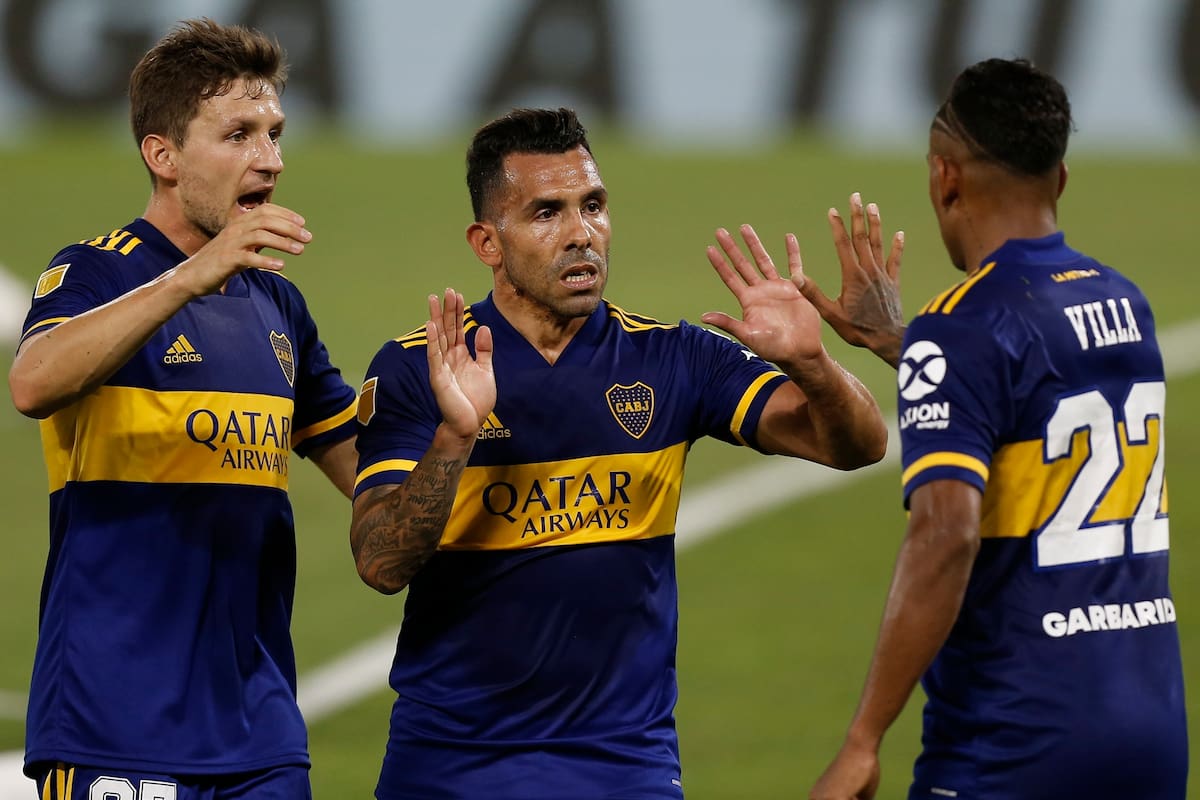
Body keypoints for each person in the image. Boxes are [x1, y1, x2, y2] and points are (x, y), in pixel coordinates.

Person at [349, 106, 889, 799]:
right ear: (487, 242)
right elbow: (381, 564)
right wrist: (455, 437)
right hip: (451, 764)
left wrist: (812, 365)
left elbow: (859, 446)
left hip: (625, 766)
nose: (581, 233)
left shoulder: (674, 358)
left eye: (593, 205)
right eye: (547, 213)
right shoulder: (420, 368)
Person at [802, 58, 1187, 799]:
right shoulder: (1124, 303)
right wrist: (903, 344)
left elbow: (946, 534)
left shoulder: (961, 326)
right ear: (1060, 178)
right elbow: (1034, 393)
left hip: (1017, 738)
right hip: (1152, 734)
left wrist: (862, 741)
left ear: (945, 177)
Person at [8, 18, 359, 800]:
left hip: (260, 733)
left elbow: (370, 483)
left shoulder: (279, 306)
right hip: (112, 722)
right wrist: (189, 278)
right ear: (162, 155)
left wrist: (456, 432)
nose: (270, 159)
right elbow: (32, 383)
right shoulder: (95, 272)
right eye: (238, 135)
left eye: (274, 133)